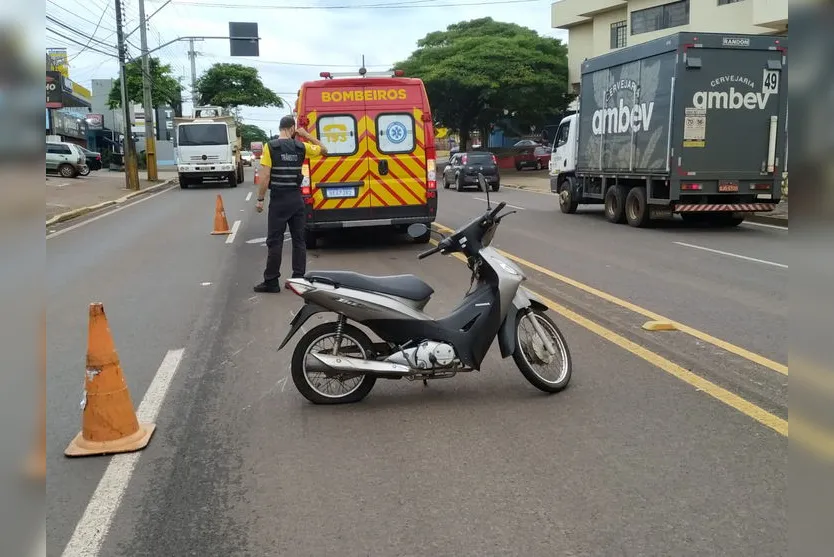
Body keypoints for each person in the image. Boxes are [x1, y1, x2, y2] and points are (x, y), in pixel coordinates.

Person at [253, 115, 328, 293]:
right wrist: (307, 135)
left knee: (275, 241)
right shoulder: (301, 146)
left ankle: (271, 282)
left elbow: (265, 176)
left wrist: (260, 199)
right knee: (299, 241)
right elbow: (324, 150)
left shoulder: (271, 147)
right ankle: (298, 279)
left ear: (280, 128)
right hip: (296, 199)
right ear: (293, 128)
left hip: (279, 200)